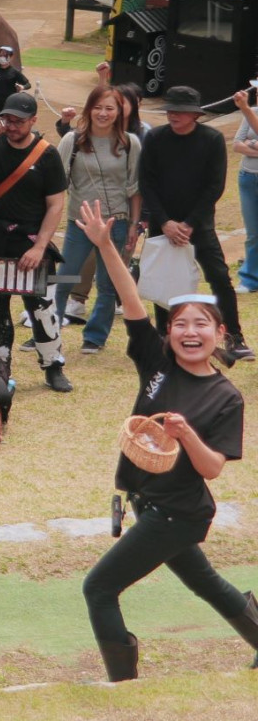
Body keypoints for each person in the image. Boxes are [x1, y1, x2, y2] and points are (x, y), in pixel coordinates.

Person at [75, 201, 258, 681]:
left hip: (178, 512)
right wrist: (105, 246)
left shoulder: (225, 396)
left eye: (201, 324)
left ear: (219, 333)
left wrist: (186, 434)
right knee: (205, 582)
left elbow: (213, 467)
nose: (189, 332)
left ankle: (122, 681)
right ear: (170, 331)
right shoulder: (157, 364)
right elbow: (131, 298)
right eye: (180, 323)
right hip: (148, 501)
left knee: (99, 588)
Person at [0, 92, 72, 391]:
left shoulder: (47, 154)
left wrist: (40, 246)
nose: (12, 126)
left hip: (29, 240)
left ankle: (52, 365)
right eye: (7, 119)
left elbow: (56, 205)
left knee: (41, 308)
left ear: (33, 121)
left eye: (19, 121)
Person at [139, 86, 250, 360]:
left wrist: (189, 223)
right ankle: (166, 336)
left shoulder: (211, 139)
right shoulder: (155, 138)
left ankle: (234, 336)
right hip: (163, 222)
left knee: (219, 277)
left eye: (180, 111)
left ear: (195, 115)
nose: (173, 115)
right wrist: (164, 222)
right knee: (164, 280)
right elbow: (146, 182)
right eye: (170, 110)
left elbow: (215, 186)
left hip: (199, 224)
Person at [55, 86, 141, 354]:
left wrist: (134, 225)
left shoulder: (130, 143)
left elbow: (135, 188)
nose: (103, 113)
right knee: (64, 278)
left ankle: (95, 337)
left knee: (108, 283)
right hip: (80, 222)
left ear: (120, 112)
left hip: (116, 221)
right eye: (98, 107)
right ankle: (48, 331)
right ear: (89, 109)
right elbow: (56, 183)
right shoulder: (72, 140)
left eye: (109, 108)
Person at [235, 88, 258, 296]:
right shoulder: (252, 111)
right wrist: (254, 145)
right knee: (253, 232)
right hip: (248, 177)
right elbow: (237, 145)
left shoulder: (249, 111)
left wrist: (245, 109)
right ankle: (250, 278)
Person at [0, 46, 30, 115]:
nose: (2, 57)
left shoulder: (15, 72)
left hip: (8, 104)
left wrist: (22, 87)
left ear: (11, 57)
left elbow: (28, 84)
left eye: (5, 56)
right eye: (0, 55)